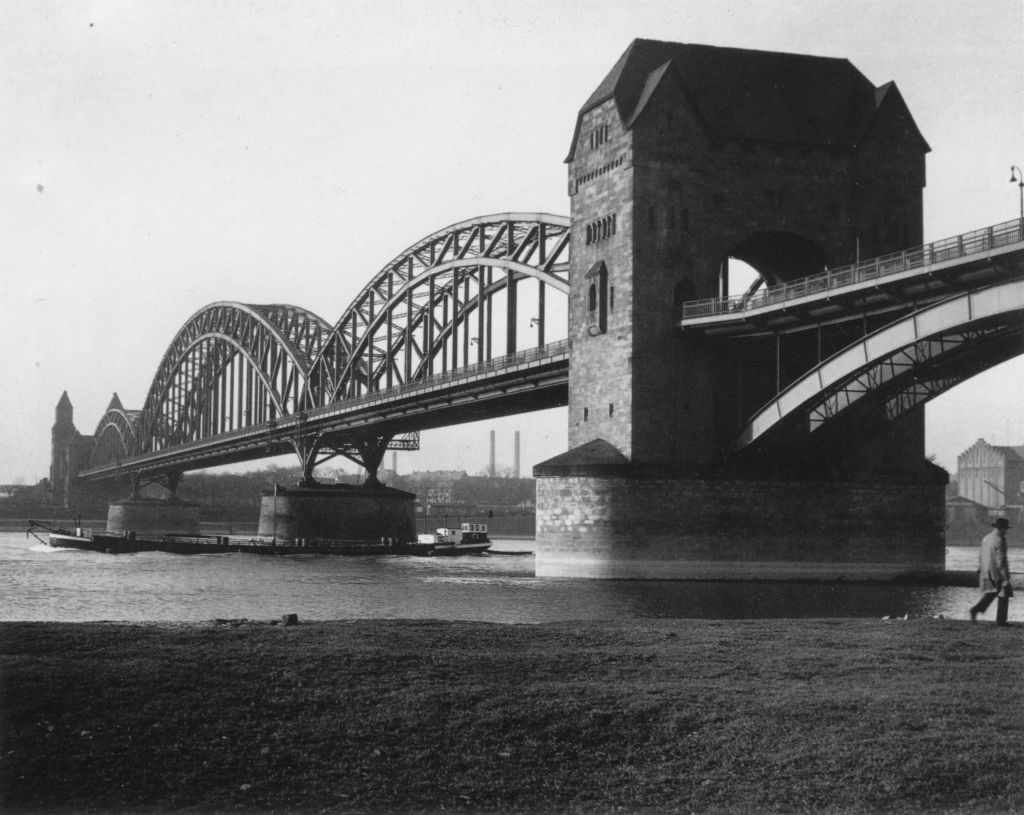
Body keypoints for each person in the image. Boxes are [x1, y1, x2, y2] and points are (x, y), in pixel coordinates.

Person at [969, 518, 1013, 625]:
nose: (1005, 531)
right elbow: (1001, 560)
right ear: (1001, 528)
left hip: (986, 569)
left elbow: (981, 554)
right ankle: (1000, 620)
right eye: (1005, 528)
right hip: (996, 571)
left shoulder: (986, 538)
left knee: (993, 592)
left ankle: (978, 610)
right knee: (1003, 592)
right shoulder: (1000, 540)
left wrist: (981, 567)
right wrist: (1005, 578)